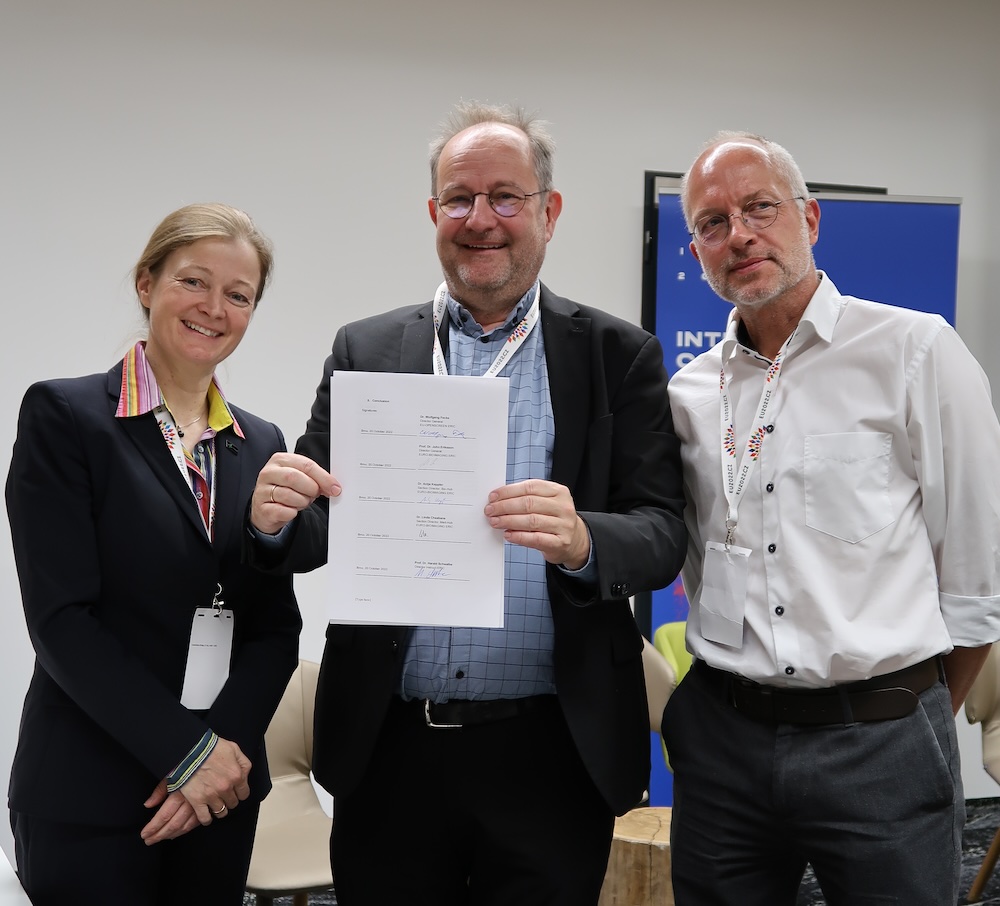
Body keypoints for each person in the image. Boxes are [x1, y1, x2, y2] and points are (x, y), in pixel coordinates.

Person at [244, 101, 687, 906]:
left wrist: (585, 539)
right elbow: (318, 520)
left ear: (549, 213)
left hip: (552, 747)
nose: (481, 219)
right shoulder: (367, 348)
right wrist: (274, 519)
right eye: (460, 198)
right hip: (391, 745)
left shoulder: (617, 354)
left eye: (505, 197)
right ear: (433, 213)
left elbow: (661, 532)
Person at [662, 130, 1000, 905]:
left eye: (759, 208)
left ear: (809, 220)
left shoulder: (915, 352)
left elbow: (977, 583)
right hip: (724, 740)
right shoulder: (687, 394)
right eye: (713, 223)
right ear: (697, 252)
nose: (739, 234)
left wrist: (905, 715)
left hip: (879, 736)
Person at [5, 203, 301, 905]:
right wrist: (186, 753)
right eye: (192, 282)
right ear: (146, 284)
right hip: (92, 793)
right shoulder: (65, 418)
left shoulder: (261, 443)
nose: (213, 308)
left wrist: (217, 758)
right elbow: (62, 620)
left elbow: (273, 626)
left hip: (220, 798)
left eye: (238, 295)